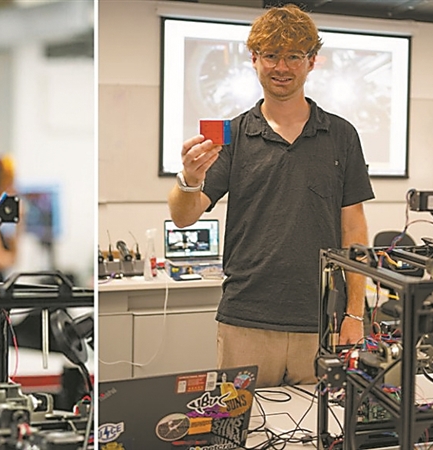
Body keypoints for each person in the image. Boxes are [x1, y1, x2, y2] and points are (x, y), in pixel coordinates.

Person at [167, 4, 375, 388]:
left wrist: (355, 313)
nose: (282, 67)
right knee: (240, 423)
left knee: (322, 423)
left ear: (311, 62)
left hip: (321, 319)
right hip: (246, 319)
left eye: (294, 56)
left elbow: (354, 230)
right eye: (271, 55)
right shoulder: (233, 135)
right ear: (254, 59)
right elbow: (184, 216)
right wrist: (190, 179)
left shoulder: (341, 135)